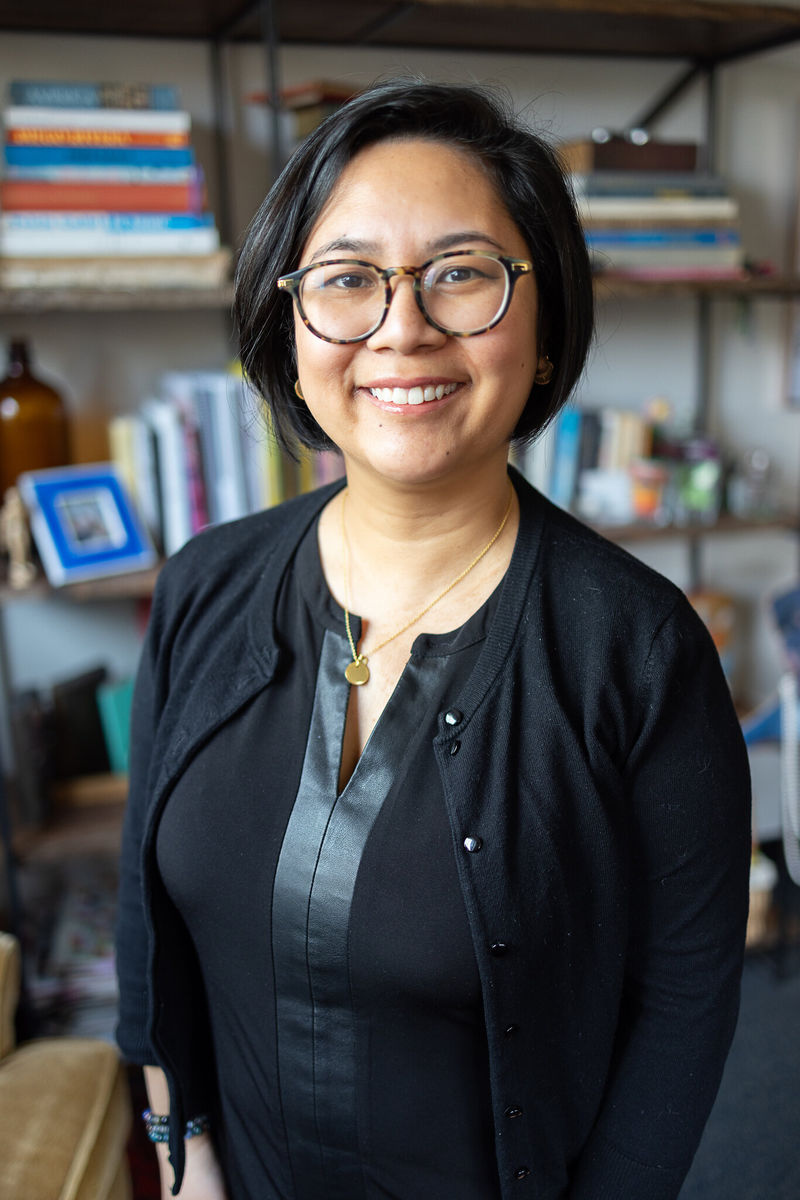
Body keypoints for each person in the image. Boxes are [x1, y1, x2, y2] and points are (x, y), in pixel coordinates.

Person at [115, 79, 751, 1200]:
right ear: (290, 320)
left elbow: (683, 1002)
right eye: (348, 279)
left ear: (544, 327)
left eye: (460, 273)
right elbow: (146, 911)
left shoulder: (640, 653)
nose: (400, 328)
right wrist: (186, 1149)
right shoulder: (204, 586)